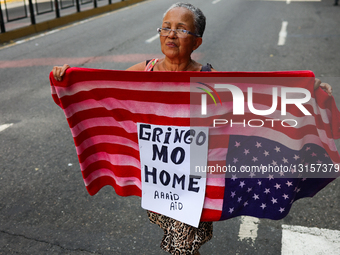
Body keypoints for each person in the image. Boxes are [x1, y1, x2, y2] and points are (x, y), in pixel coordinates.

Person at [52, 3, 333, 255]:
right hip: (159, 179)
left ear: (196, 41)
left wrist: (307, 93)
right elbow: (101, 95)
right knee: (181, 246)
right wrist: (69, 79)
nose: (171, 34)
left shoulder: (207, 81)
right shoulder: (143, 73)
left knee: (181, 248)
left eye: (181, 29)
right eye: (166, 27)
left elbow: (253, 106)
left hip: (196, 184)